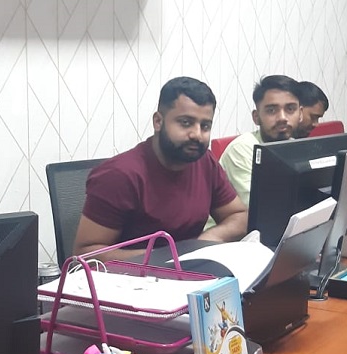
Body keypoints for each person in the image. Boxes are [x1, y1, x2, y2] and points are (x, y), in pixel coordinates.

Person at [73, 76, 247, 261]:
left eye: (205, 126)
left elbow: (239, 215)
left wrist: (205, 242)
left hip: (190, 270)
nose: (197, 134)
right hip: (132, 275)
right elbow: (85, 254)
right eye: (185, 123)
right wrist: (171, 257)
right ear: (158, 122)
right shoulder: (119, 175)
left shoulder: (205, 162)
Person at [218, 75, 303, 209]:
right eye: (271, 110)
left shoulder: (295, 146)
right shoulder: (241, 149)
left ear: (300, 114)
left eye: (290, 109)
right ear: (256, 117)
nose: (282, 118)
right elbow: (259, 207)